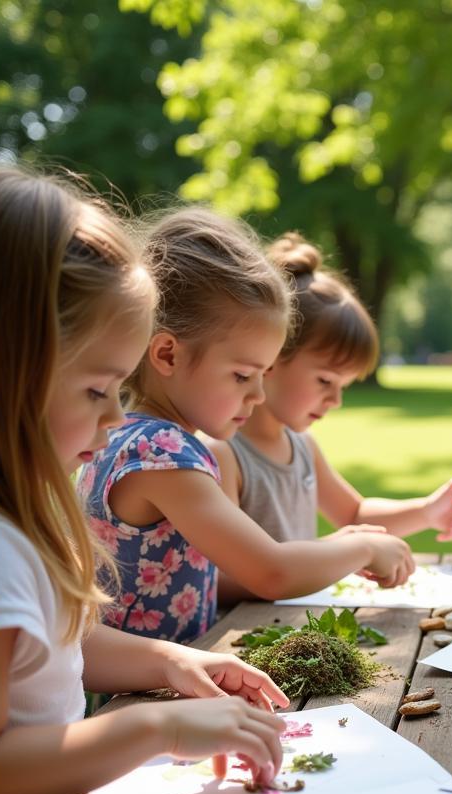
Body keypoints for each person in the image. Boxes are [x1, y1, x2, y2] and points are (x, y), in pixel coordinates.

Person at [0, 164, 287, 794]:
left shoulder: (16, 521)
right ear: (5, 369)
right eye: (97, 390)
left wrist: (171, 662)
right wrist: (154, 731)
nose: (116, 417)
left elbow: (53, 649)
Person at [79, 210, 414, 643]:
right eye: (242, 375)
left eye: (264, 374)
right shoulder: (160, 453)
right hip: (148, 694)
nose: (257, 396)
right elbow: (270, 570)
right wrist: (363, 547)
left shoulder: (130, 435)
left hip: (168, 679)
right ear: (167, 355)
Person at [208, 232, 452, 601]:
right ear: (271, 358)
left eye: (344, 385)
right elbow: (217, 580)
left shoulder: (301, 446)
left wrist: (426, 512)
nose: (335, 399)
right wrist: (337, 552)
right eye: (325, 380)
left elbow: (354, 514)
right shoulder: (224, 454)